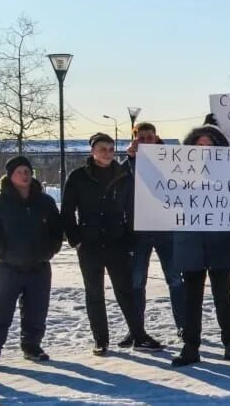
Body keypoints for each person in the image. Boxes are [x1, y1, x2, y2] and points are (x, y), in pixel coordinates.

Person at [62, 133, 162, 355]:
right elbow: (67, 211)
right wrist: (76, 239)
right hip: (89, 244)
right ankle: (101, 340)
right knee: (94, 293)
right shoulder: (78, 176)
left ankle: (139, 335)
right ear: (92, 151)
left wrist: (129, 238)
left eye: (110, 148)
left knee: (125, 292)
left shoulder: (123, 175)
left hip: (117, 243)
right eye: (102, 149)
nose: (107, 153)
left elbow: (131, 209)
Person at [170, 124, 230, 367]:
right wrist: (134, 160)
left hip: (219, 243)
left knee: (223, 297)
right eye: (200, 145)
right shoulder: (179, 172)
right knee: (191, 299)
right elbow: (153, 186)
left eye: (210, 145)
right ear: (191, 148)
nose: (205, 149)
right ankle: (191, 346)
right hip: (191, 243)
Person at [0, 157, 64, 370]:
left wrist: (49, 251)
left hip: (39, 267)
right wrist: (4, 253)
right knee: (0, 312)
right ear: (10, 175)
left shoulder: (44, 202)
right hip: (8, 268)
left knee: (36, 311)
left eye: (28, 171)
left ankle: (32, 346)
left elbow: (56, 231)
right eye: (20, 171)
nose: (25, 175)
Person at [124, 122, 185, 340]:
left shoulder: (173, 160)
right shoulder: (127, 164)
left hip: (166, 229)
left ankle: (183, 326)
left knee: (175, 279)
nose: (146, 141)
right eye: (141, 138)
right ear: (134, 140)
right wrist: (132, 160)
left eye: (149, 137)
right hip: (138, 232)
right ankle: (136, 330)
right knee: (137, 281)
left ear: (157, 137)